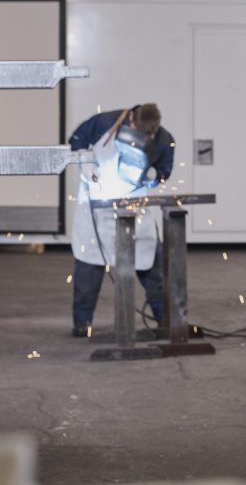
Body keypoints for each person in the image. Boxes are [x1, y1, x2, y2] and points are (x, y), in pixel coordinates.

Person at [68, 103, 175, 337]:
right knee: (89, 269)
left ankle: (164, 319)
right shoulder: (104, 123)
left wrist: (152, 177)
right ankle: (81, 323)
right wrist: (86, 161)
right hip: (96, 209)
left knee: (151, 268)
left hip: (134, 208)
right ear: (132, 122)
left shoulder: (164, 140)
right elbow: (75, 139)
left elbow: (165, 171)